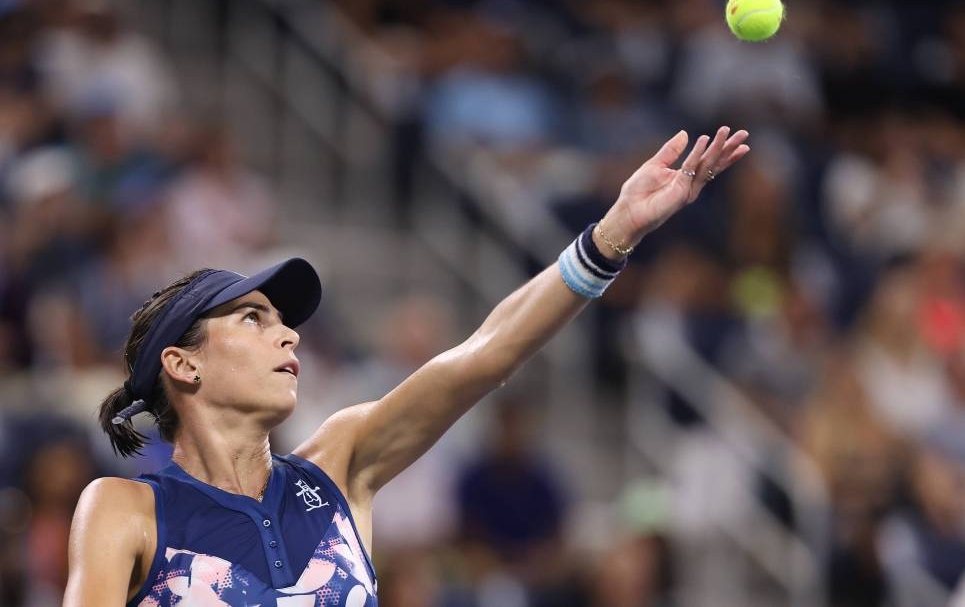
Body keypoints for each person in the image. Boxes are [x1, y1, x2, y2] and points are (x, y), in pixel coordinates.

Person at [63, 127, 749, 605]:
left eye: (287, 322)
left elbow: (486, 354)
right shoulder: (126, 509)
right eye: (253, 319)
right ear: (184, 366)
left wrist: (612, 236)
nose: (290, 338)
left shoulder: (341, 465)